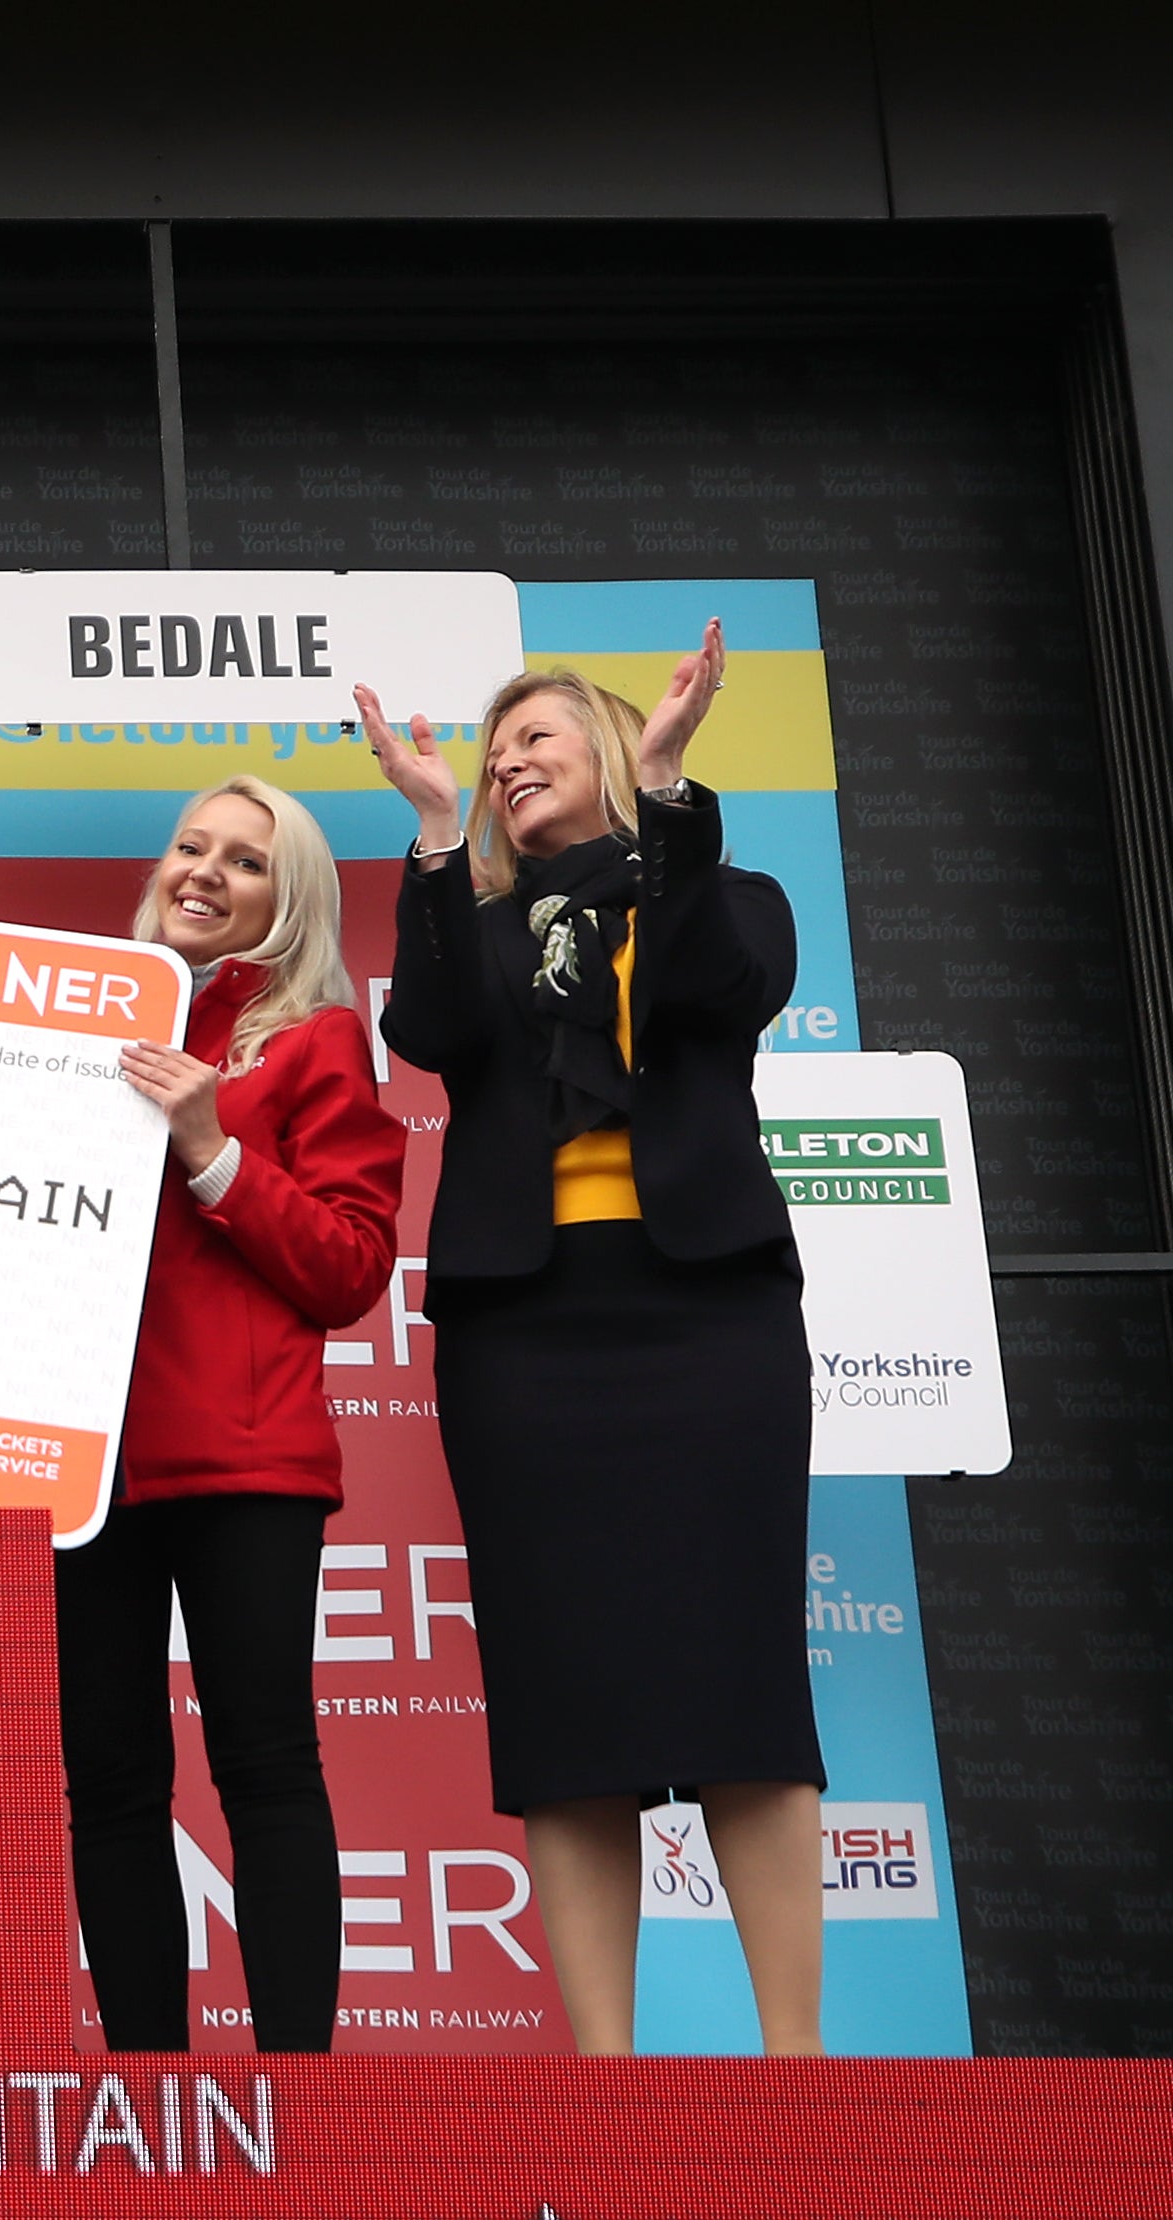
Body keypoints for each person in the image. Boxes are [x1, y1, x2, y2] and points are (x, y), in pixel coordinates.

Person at [360, 621, 826, 2056]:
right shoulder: (483, 930)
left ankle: (800, 2067)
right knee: (564, 1708)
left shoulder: (725, 890)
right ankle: (606, 2078)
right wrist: (436, 833)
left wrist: (674, 794)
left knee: (741, 1684)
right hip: (527, 1339)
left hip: (709, 1322)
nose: (508, 765)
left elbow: (717, 988)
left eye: (535, 743)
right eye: (495, 756)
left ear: (619, 752)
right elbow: (432, 1031)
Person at [59, 775, 405, 2053]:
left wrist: (211, 1148)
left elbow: (350, 1268)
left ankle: (297, 2106)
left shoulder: (313, 1042)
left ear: (288, 897)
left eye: (246, 861)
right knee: (109, 1789)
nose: (205, 871)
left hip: (244, 1461)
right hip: (85, 1465)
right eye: (191, 846)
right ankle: (154, 2103)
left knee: (263, 1769)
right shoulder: (80, 1022)